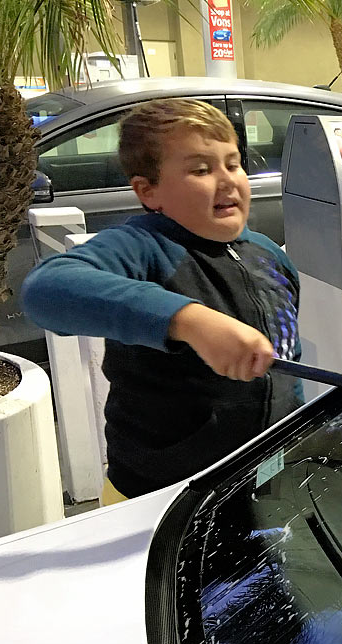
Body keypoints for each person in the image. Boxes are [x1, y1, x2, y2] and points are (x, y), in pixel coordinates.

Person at [22, 98, 302, 504]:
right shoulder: (142, 247)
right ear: (148, 191)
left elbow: (285, 369)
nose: (227, 181)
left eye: (233, 163)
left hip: (261, 484)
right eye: (201, 169)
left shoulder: (270, 256)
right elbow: (46, 290)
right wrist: (190, 320)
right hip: (159, 498)